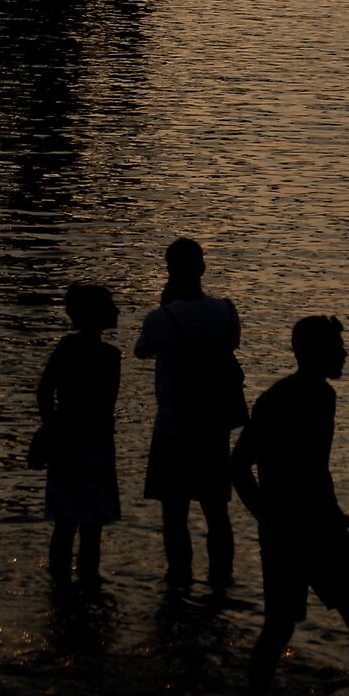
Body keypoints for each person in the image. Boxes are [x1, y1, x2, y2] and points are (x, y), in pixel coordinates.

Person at [231, 314, 349, 696]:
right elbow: (240, 464)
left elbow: (307, 468)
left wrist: (274, 518)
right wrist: (267, 516)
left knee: (330, 620)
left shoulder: (316, 396)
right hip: (301, 530)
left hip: (316, 525)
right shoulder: (281, 400)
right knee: (309, 623)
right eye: (337, 347)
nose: (345, 354)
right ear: (315, 352)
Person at [134, 237, 246, 588]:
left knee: (174, 514)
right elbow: (230, 344)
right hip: (214, 427)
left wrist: (165, 306)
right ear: (203, 268)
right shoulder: (227, 311)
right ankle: (221, 580)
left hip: (173, 428)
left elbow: (141, 351)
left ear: (169, 271)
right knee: (217, 511)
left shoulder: (161, 318)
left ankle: (178, 579)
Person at [36, 283, 122, 585]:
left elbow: (44, 391)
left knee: (64, 524)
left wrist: (52, 427)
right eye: (110, 305)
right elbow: (105, 406)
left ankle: (58, 586)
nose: (117, 310)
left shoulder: (66, 347)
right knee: (92, 527)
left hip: (65, 444)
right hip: (96, 446)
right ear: (97, 314)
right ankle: (89, 586)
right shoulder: (110, 356)